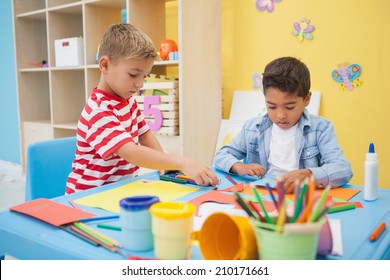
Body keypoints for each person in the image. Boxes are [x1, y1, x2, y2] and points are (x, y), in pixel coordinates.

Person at [66, 23, 218, 194]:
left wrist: (165, 164)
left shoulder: (128, 101)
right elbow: (131, 152)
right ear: (105, 65)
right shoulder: (98, 111)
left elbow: (145, 135)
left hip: (118, 190)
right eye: (133, 75)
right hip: (87, 197)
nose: (139, 84)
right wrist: (179, 162)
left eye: (144, 76)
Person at [214, 56, 352, 193]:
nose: (280, 115)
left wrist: (309, 174)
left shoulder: (321, 129)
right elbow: (221, 156)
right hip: (263, 196)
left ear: (307, 99)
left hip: (300, 199)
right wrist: (239, 166)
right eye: (272, 106)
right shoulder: (252, 128)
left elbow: (343, 169)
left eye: (290, 107)